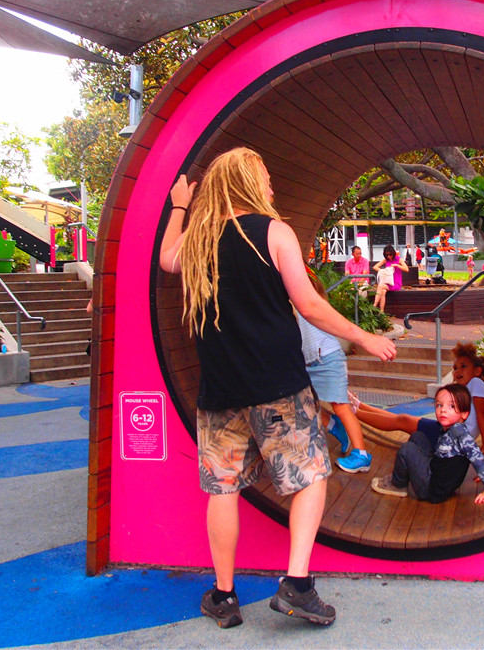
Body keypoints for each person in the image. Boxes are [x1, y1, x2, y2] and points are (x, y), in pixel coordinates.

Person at [159, 147, 396, 629]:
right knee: (310, 476)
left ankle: (223, 597)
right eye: (265, 177)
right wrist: (364, 336)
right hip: (278, 385)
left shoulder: (199, 240)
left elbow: (167, 260)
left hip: (221, 390)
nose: (271, 186)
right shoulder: (275, 232)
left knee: (222, 488)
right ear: (248, 181)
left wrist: (180, 205)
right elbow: (308, 304)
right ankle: (297, 584)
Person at [359, 384, 484, 505]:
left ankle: (398, 484)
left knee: (407, 450)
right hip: (437, 476)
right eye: (439, 405)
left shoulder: (459, 433)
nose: (443, 410)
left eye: (451, 406)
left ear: (464, 414)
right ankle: (402, 476)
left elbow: (477, 456)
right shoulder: (449, 428)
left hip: (432, 490)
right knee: (418, 437)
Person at [299, 270, 373, 474]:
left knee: (340, 405)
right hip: (309, 362)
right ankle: (335, 427)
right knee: (303, 401)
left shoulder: (315, 305)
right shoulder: (295, 304)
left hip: (328, 358)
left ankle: (362, 454)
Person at [372, 244, 409, 311]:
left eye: (390, 255)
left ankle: (374, 305)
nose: (389, 256)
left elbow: (406, 269)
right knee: (383, 291)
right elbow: (375, 267)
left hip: (396, 283)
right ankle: (381, 311)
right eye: (387, 255)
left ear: (393, 253)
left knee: (380, 286)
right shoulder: (386, 260)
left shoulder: (399, 259)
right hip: (388, 282)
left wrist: (397, 265)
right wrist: (383, 271)